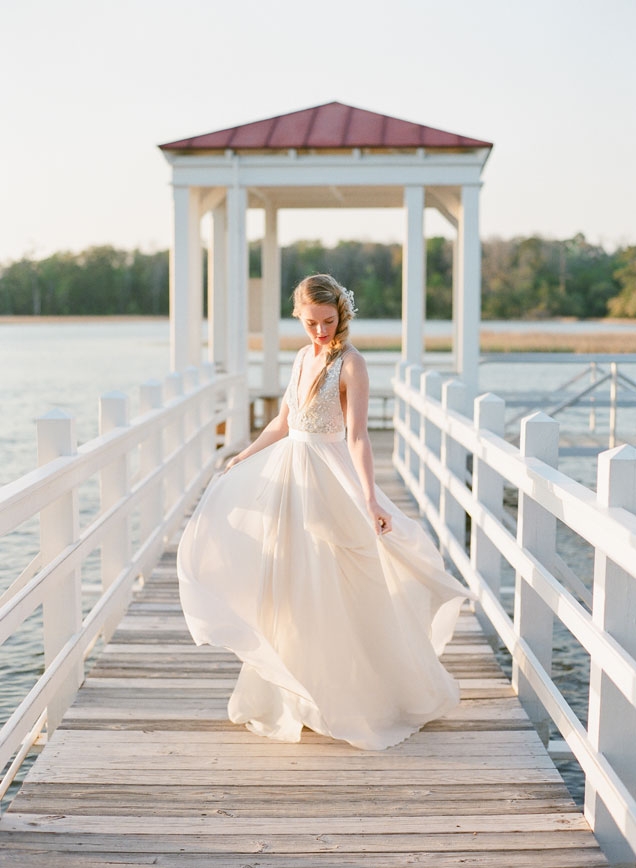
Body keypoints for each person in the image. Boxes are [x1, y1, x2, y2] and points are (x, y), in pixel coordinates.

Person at [177, 273, 471, 750]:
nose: (321, 332)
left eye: (329, 321)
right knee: (289, 583)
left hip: (329, 477)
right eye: (312, 322)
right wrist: (246, 454)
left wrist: (371, 498)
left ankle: (357, 695)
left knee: (338, 583)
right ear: (299, 316)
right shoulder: (300, 357)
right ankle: (298, 697)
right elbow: (283, 421)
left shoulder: (351, 364)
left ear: (341, 315)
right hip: (289, 478)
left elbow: (357, 437)